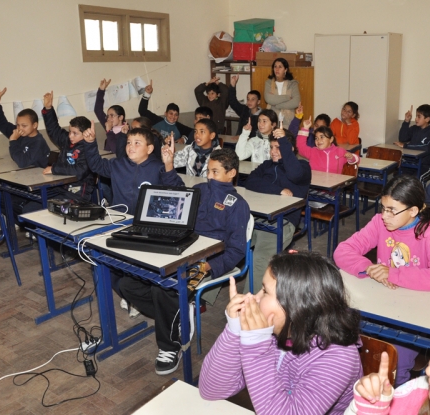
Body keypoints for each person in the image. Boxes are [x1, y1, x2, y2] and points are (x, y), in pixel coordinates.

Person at [119, 148, 250, 375]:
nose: (209, 176)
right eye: (209, 170)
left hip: (207, 261)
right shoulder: (201, 189)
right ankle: (176, 314)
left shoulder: (238, 205)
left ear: (231, 174)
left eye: (216, 172)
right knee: (126, 285)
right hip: (183, 250)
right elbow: (178, 192)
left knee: (165, 291)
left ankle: (171, 346)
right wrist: (169, 165)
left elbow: (237, 249)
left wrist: (210, 266)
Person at [199, 251, 362, 415]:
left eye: (265, 291)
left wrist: (257, 346)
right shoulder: (272, 331)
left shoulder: (338, 356)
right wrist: (234, 330)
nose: (254, 298)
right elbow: (211, 390)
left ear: (296, 305)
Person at [334, 175, 430, 385]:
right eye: (383, 207)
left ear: (413, 211)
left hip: (413, 316)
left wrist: (392, 273)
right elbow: (343, 251)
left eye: (392, 210)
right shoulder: (379, 224)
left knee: (394, 366)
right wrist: (369, 268)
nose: (384, 215)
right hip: (380, 305)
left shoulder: (429, 234)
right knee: (341, 348)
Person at [244, 130, 311, 293]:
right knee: (227, 245)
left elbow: (294, 174)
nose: (273, 151)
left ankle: (246, 307)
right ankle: (199, 297)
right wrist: (278, 190)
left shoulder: (303, 167)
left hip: (282, 221)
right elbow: (250, 182)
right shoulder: (267, 165)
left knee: (260, 258)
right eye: (271, 147)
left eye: (278, 148)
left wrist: (285, 145)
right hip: (258, 218)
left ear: (290, 149)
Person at [81, 125, 183, 215]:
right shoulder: (117, 165)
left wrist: (169, 165)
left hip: (146, 221)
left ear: (149, 149)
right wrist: (90, 143)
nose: (131, 146)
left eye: (137, 143)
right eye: (128, 142)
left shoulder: (158, 168)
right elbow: (96, 164)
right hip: (120, 218)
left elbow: (176, 192)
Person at [40, 91, 95, 202]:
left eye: (75, 133)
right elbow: (54, 129)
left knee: (52, 205)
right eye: (70, 131)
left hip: (79, 190)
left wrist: (54, 169)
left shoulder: (87, 148)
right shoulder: (67, 140)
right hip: (63, 186)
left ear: (85, 133)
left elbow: (80, 170)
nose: (70, 136)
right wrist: (48, 109)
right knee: (36, 202)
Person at [0, 87, 50, 169]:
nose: (20, 128)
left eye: (24, 125)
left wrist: (13, 140)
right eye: (18, 125)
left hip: (39, 177)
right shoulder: (19, 133)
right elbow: (2, 123)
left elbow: (22, 163)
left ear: (35, 125)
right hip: (26, 174)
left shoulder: (38, 142)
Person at [138, 80, 194, 144]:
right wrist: (147, 94)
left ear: (178, 116)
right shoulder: (156, 120)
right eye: (171, 113)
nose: (173, 117)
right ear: (165, 113)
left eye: (176, 115)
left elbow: (193, 132)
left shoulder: (179, 127)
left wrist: (184, 139)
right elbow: (142, 110)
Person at [395, 104, 430, 184]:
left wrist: (405, 146)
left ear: (427, 119)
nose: (416, 119)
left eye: (419, 116)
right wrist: (406, 121)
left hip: (425, 165)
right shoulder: (414, 128)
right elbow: (402, 138)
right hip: (411, 163)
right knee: (399, 178)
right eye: (416, 116)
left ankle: (419, 196)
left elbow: (425, 147)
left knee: (417, 180)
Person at [263, 58, 300, 129]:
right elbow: (269, 99)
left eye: (280, 67)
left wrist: (277, 105)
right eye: (275, 66)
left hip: (288, 120)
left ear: (285, 69)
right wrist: (287, 97)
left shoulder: (292, 84)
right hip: (272, 120)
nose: (277, 69)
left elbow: (296, 102)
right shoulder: (269, 83)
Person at [94, 78, 126, 153]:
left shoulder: (126, 131)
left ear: (121, 117)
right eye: (108, 116)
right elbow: (98, 110)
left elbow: (115, 150)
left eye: (112, 115)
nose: (108, 119)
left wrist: (109, 131)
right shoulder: (109, 125)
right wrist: (101, 90)